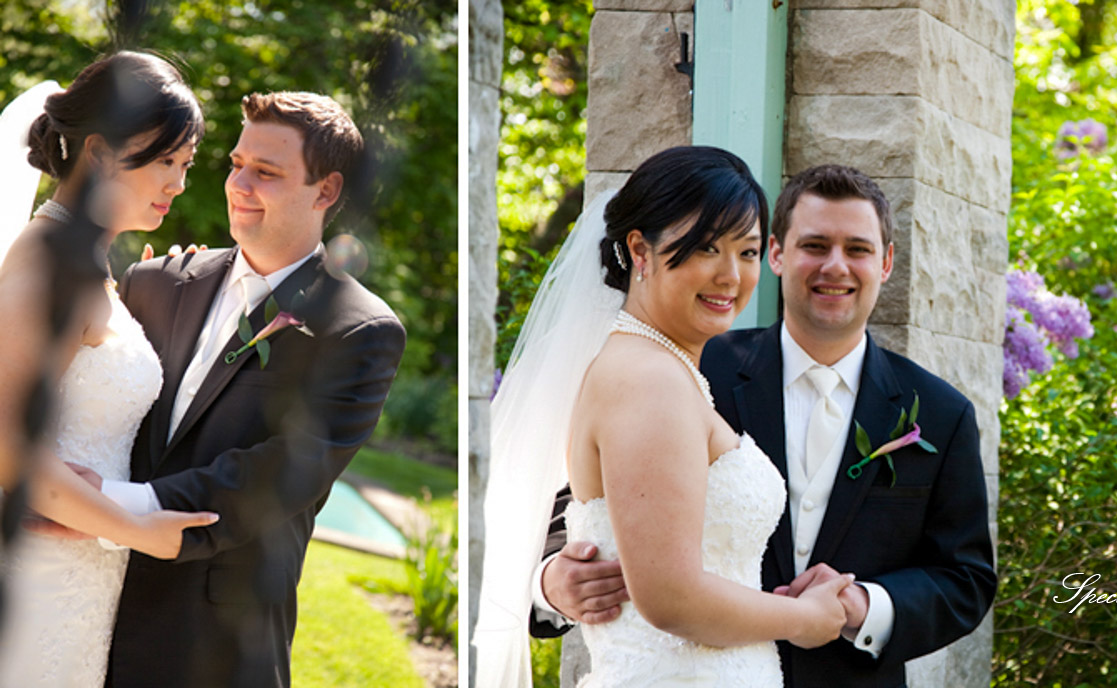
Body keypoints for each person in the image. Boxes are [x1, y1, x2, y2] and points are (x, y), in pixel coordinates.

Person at [536, 164, 997, 687]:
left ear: (886, 262)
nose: (835, 267)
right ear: (781, 253)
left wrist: (861, 606)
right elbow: (578, 500)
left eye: (859, 250)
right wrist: (551, 580)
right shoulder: (686, 368)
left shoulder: (941, 412)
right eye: (816, 245)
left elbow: (966, 579)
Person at [475, 146, 854, 688]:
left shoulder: (664, 367)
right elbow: (671, 598)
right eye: (706, 248)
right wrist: (806, 619)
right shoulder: (647, 379)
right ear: (640, 250)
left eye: (747, 253)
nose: (730, 276)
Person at [92, 91, 406, 688]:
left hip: (215, 642)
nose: (239, 184)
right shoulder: (152, 282)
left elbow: (284, 472)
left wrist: (119, 505)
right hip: (91, 604)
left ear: (327, 191)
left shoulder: (359, 331)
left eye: (266, 172)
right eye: (237, 164)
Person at [0, 52, 223, 688]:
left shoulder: (85, 262)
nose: (178, 183)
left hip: (76, 581)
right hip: (37, 577)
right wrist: (137, 531)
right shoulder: (52, 264)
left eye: (185, 164)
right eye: (164, 162)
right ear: (99, 153)